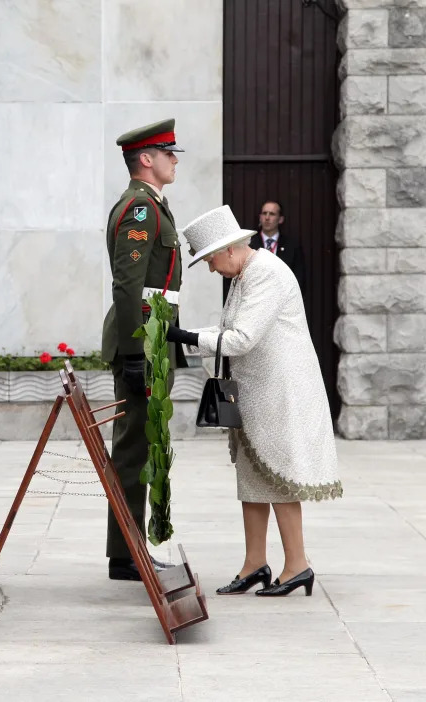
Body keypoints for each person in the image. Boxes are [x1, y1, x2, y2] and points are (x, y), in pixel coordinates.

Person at [166, 205, 342, 597]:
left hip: (280, 392)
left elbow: (242, 339)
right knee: (251, 475)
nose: (210, 268)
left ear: (229, 249)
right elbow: (230, 330)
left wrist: (187, 339)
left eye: (209, 259)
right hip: (256, 391)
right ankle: (255, 563)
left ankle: (298, 565)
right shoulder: (247, 273)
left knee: (277, 475)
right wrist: (188, 333)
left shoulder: (266, 274)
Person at [101, 118, 188, 581]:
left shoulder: (152, 205)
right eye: (168, 152)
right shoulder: (139, 209)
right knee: (135, 446)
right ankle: (126, 552)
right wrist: (137, 353)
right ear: (146, 159)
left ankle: (131, 547)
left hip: (154, 334)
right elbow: (127, 285)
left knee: (144, 441)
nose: (175, 159)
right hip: (142, 340)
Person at [222, 200, 306, 303]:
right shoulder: (247, 244)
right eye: (264, 213)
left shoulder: (292, 246)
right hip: (253, 301)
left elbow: (298, 278)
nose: (267, 217)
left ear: (280, 219)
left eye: (272, 214)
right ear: (260, 217)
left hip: (282, 302)